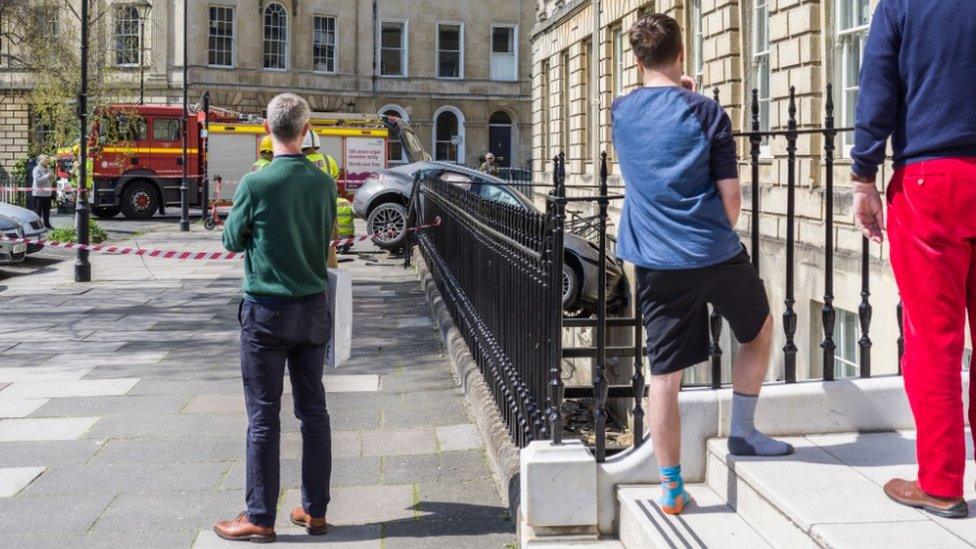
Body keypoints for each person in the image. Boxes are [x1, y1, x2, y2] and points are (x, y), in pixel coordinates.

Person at [612, 13, 790, 516]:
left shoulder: (620, 111)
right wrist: (690, 94)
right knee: (757, 329)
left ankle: (671, 488)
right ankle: (744, 433)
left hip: (654, 260)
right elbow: (730, 201)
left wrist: (672, 90)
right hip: (713, 251)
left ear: (636, 58)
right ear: (682, 53)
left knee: (664, 372)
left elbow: (647, 107)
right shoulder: (707, 113)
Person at [851, 1, 976, 519]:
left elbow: (878, 90)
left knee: (933, 342)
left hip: (933, 181)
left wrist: (863, 176)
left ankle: (942, 483)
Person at [215, 93, 338, 542]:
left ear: (267, 130)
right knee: (315, 413)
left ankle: (260, 517)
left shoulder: (257, 182)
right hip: (312, 309)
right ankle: (314, 510)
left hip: (266, 313)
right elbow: (329, 235)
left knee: (264, 416)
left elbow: (231, 239)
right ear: (306, 132)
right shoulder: (323, 182)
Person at [31, 154, 55, 229]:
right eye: (45, 159)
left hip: (47, 194)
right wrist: (47, 176)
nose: (47, 161)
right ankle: (36, 226)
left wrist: (52, 176)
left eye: (47, 160)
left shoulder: (48, 168)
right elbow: (37, 181)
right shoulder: (36, 169)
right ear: (40, 160)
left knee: (47, 211)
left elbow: (51, 178)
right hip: (39, 194)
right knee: (38, 212)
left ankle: (47, 225)